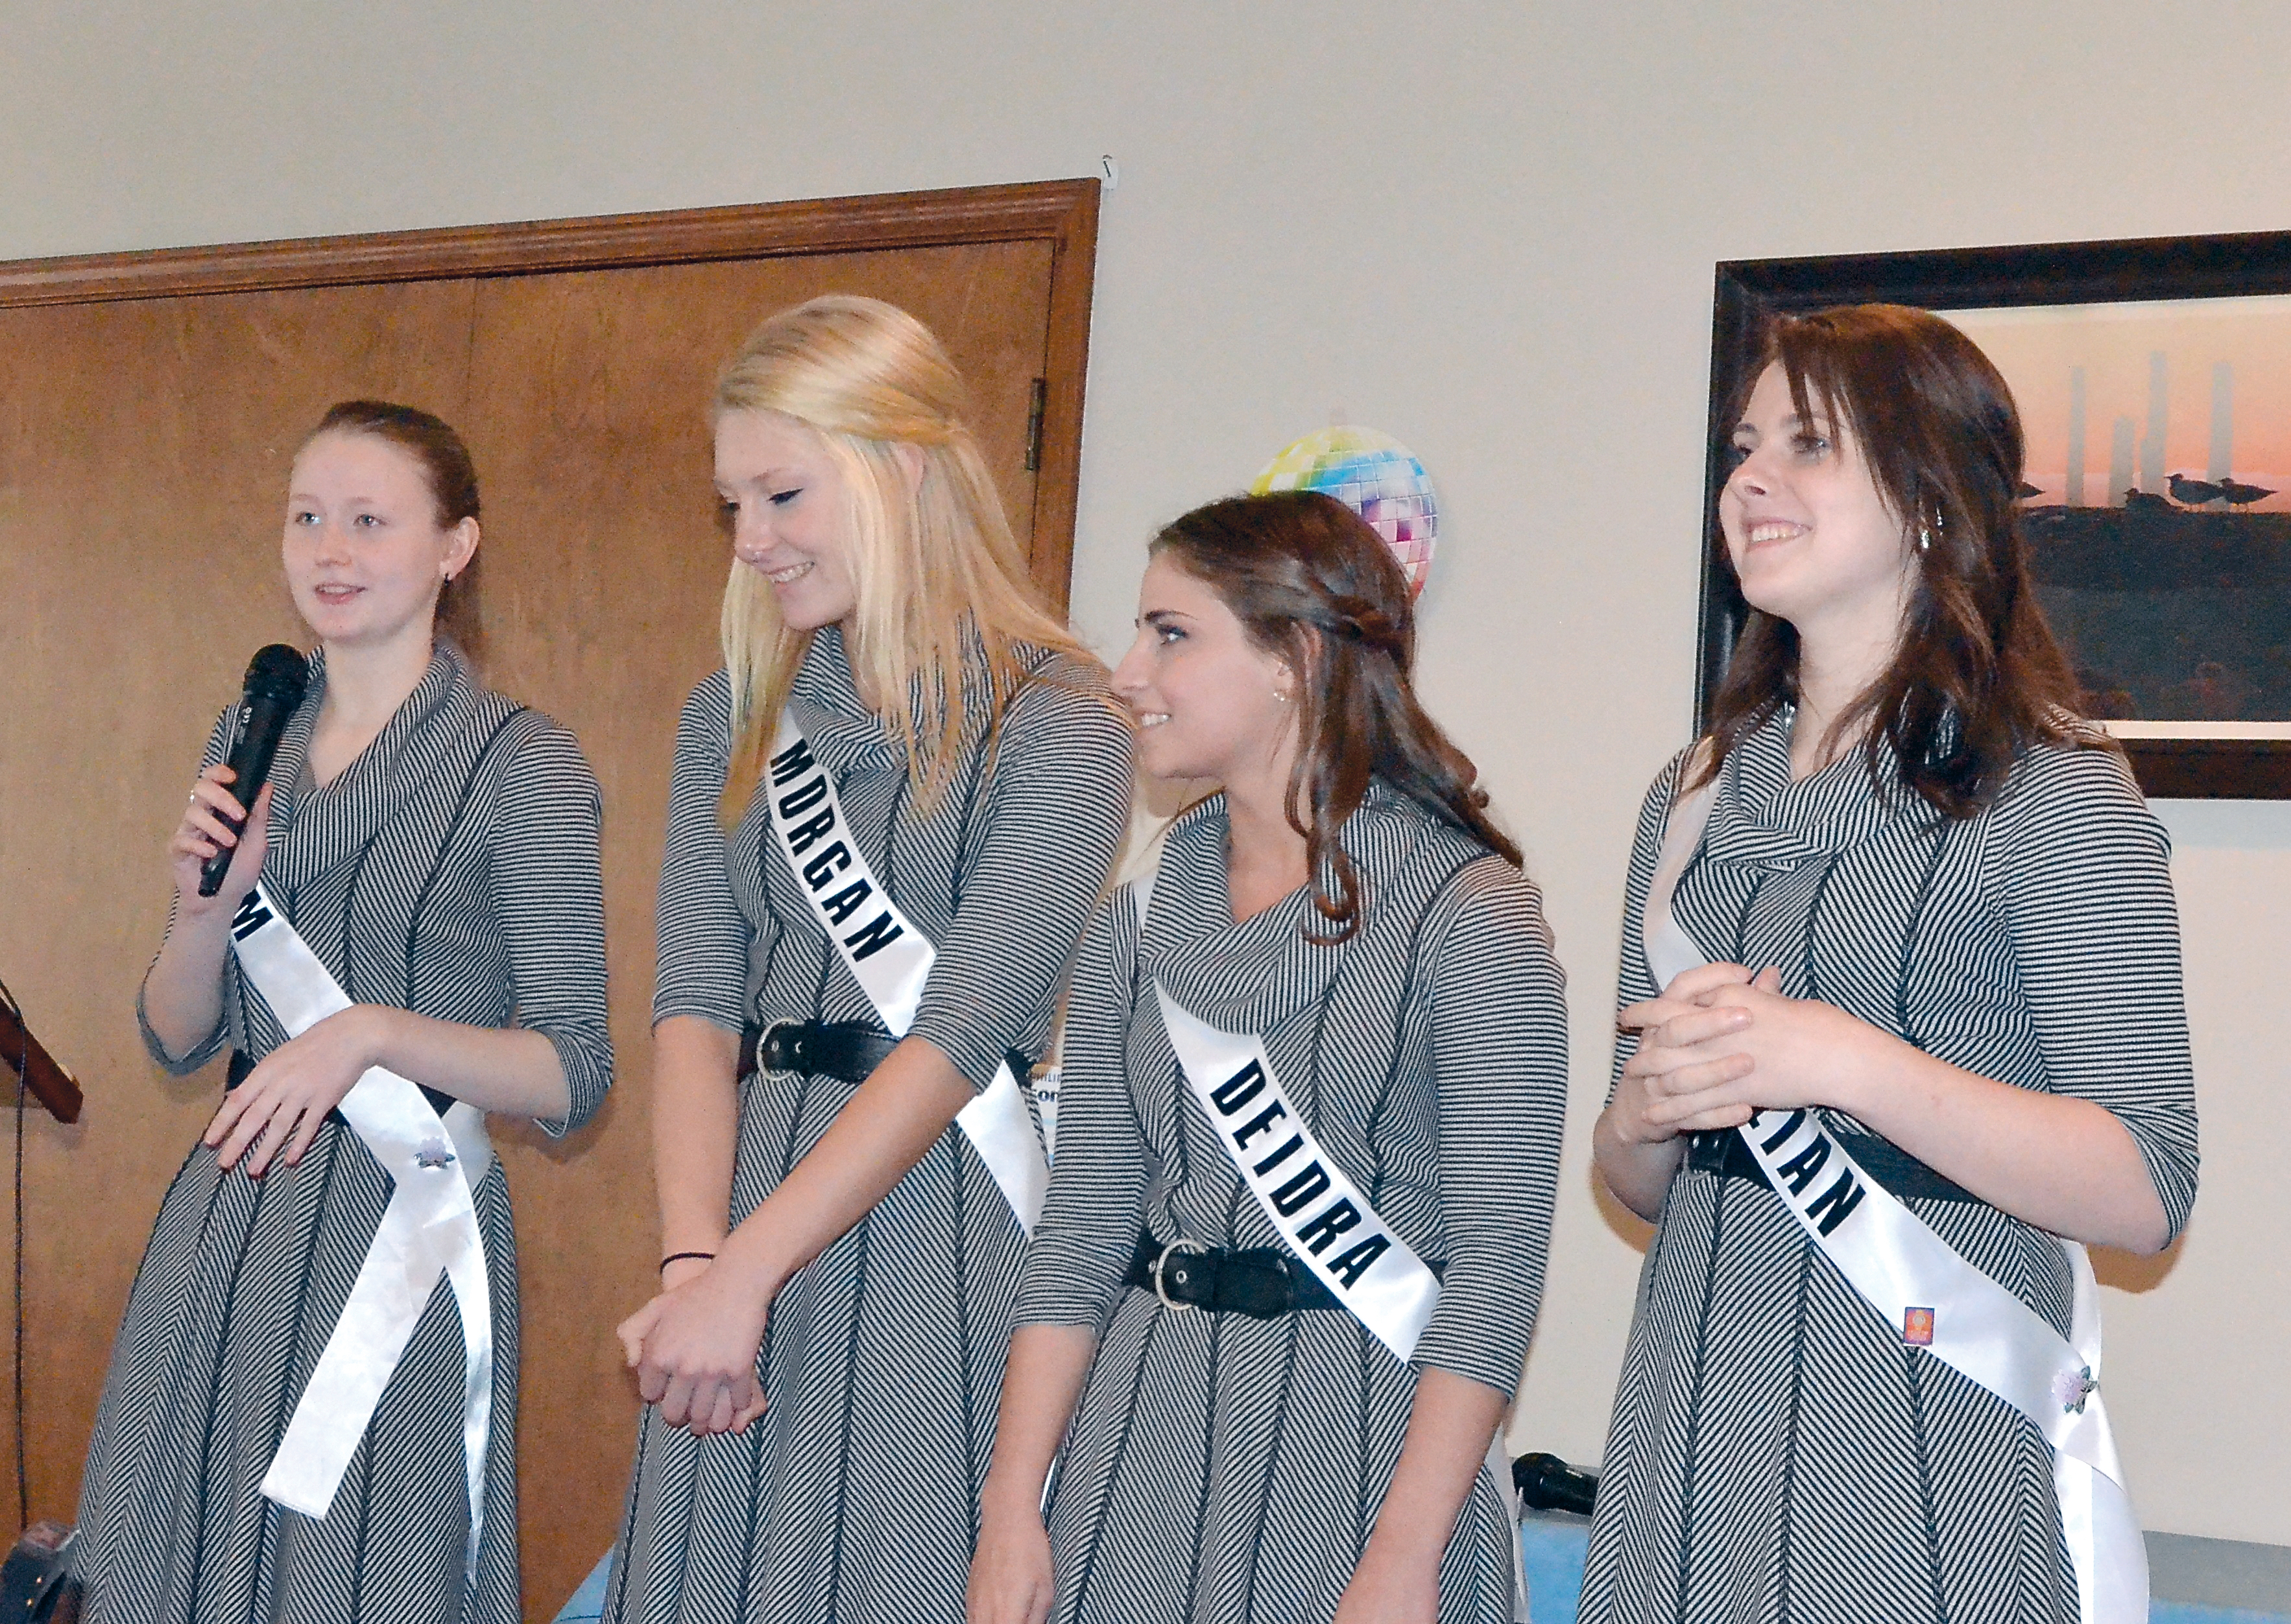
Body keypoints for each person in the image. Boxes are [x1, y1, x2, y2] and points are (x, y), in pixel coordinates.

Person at [1580, 305, 2199, 1624]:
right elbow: (1639, 1186)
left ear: (1926, 496)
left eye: (1805, 445)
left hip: (1921, 1439)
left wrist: (1847, 1062)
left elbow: (2146, 1186)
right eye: (1743, 446)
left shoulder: (2054, 791)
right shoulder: (1687, 796)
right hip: (1688, 1420)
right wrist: (1635, 1115)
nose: (1748, 480)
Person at [602, 296, 1132, 1623]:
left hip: (936, 1233)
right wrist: (690, 1266)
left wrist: (742, 1272)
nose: (750, 541)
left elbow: (960, 1033)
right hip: (734, 1222)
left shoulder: (1061, 719)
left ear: (898, 465)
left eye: (781, 494)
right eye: (731, 503)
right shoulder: (733, 708)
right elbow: (690, 1006)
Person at [968, 490, 1568, 1624]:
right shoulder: (1138, 915)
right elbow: (1085, 1228)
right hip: (1131, 1458)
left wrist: (1402, 1561)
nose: (1129, 672)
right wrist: (1011, 1503)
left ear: (1294, 659)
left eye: (1172, 633)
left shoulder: (1469, 911)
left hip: (1363, 1465)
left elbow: (1496, 1269)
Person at [75, 401, 614, 1624]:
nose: (330, 550)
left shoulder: (520, 762)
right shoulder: (250, 733)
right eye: (308, 517)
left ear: (453, 547)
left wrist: (369, 1031)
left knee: (357, 1581)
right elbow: (174, 1034)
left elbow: (572, 1069)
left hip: (401, 1234)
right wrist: (203, 909)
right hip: (230, 1215)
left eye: (371, 522)